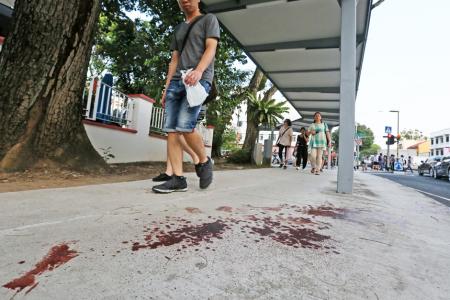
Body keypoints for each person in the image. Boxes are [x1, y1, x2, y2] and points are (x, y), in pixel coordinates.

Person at [152, 0, 220, 193]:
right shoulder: (179, 28)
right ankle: (177, 179)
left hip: (199, 79)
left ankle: (204, 160)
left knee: (185, 126)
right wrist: (166, 88)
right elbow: (174, 59)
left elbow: (211, 48)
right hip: (177, 80)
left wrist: (199, 71)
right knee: (172, 130)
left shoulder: (209, 19)